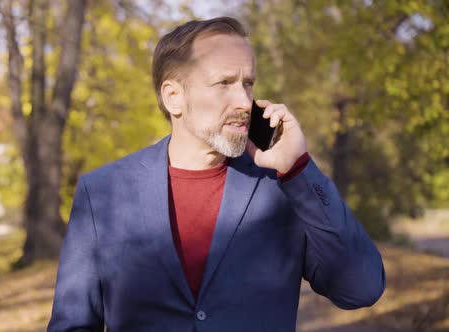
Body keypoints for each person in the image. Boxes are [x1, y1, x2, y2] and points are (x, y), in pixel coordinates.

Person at [47, 16, 385, 332]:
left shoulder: (282, 185)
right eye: (224, 82)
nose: (243, 101)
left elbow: (361, 287)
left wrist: (298, 169)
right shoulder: (103, 192)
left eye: (248, 83)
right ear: (173, 97)